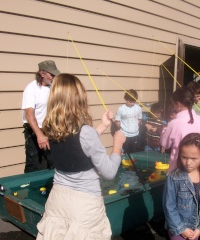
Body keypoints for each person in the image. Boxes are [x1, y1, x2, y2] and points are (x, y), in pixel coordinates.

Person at [36, 74, 126, 240]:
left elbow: (76, 147)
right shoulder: (86, 132)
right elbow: (109, 172)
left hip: (58, 200)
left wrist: (101, 126)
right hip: (84, 206)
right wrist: (117, 145)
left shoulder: (50, 127)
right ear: (78, 98)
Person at [162, 133, 200, 240]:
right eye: (184, 157)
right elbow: (169, 206)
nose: (188, 162)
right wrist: (181, 229)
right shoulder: (173, 178)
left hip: (195, 230)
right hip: (177, 229)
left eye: (194, 158)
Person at [160, 87, 200, 174]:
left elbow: (165, 144)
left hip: (178, 171)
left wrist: (164, 129)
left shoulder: (173, 124)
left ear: (178, 104)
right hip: (199, 170)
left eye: (173, 104)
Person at [21, 60, 60, 173]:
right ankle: (31, 189)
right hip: (35, 131)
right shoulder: (31, 89)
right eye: (51, 75)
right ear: (42, 73)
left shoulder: (52, 88)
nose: (53, 77)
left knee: (54, 162)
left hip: (51, 130)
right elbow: (29, 114)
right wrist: (40, 135)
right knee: (33, 164)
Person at [115, 89, 142, 154]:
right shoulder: (121, 109)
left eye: (134, 102)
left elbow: (139, 119)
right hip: (125, 135)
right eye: (130, 102)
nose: (132, 103)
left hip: (135, 134)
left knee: (134, 153)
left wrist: (134, 126)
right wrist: (121, 129)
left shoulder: (138, 108)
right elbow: (117, 121)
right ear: (126, 99)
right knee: (125, 152)